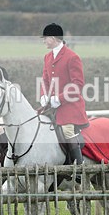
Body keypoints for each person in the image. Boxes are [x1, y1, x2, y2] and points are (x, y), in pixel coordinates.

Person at [39, 23, 88, 165]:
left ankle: (79, 166)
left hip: (70, 106)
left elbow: (77, 85)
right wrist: (44, 96)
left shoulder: (72, 57)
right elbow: (45, 80)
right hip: (51, 106)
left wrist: (59, 99)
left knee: (67, 131)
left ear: (53, 38)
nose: (44, 41)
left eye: (45, 38)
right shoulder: (47, 57)